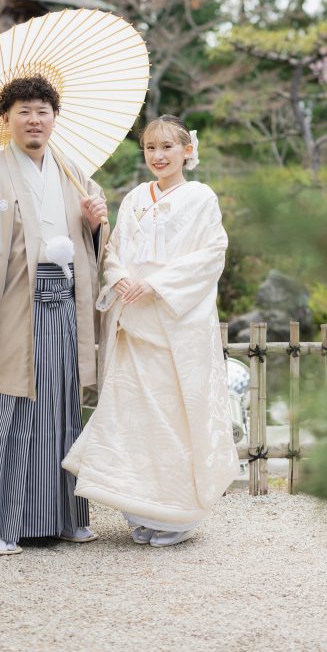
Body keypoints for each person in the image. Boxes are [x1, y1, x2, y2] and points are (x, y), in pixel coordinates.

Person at [0, 74, 108, 556]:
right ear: (6, 119)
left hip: (63, 304)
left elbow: (98, 246)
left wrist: (96, 224)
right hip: (8, 307)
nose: (34, 120)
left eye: (42, 111)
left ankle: (64, 517)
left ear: (55, 118)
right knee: (3, 411)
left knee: (60, 407)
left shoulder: (73, 172)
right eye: (24, 111)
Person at [63, 115, 238, 547]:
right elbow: (117, 248)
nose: (158, 156)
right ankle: (140, 511)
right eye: (150, 149)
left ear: (187, 151)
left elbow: (210, 255)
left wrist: (157, 284)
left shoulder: (201, 198)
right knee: (131, 418)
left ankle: (177, 516)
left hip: (174, 323)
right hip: (133, 321)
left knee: (172, 418)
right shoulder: (137, 197)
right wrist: (120, 274)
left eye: (167, 147)